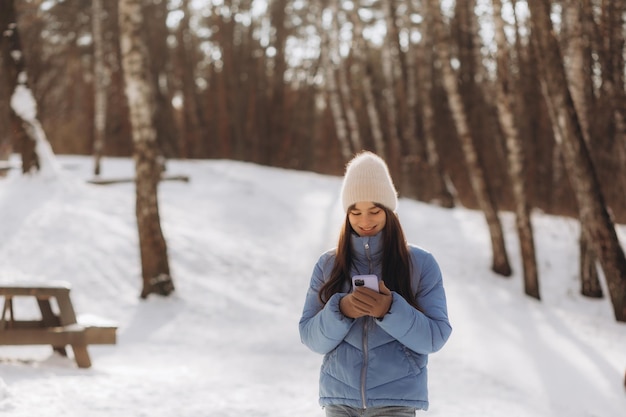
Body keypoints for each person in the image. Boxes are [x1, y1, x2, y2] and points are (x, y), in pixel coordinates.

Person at [299, 151, 452, 417]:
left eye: (374, 210)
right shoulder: (328, 265)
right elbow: (311, 338)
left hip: (396, 403)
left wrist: (390, 310)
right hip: (340, 403)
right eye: (355, 212)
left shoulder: (420, 263)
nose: (364, 221)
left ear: (390, 211)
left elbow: (435, 337)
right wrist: (341, 310)